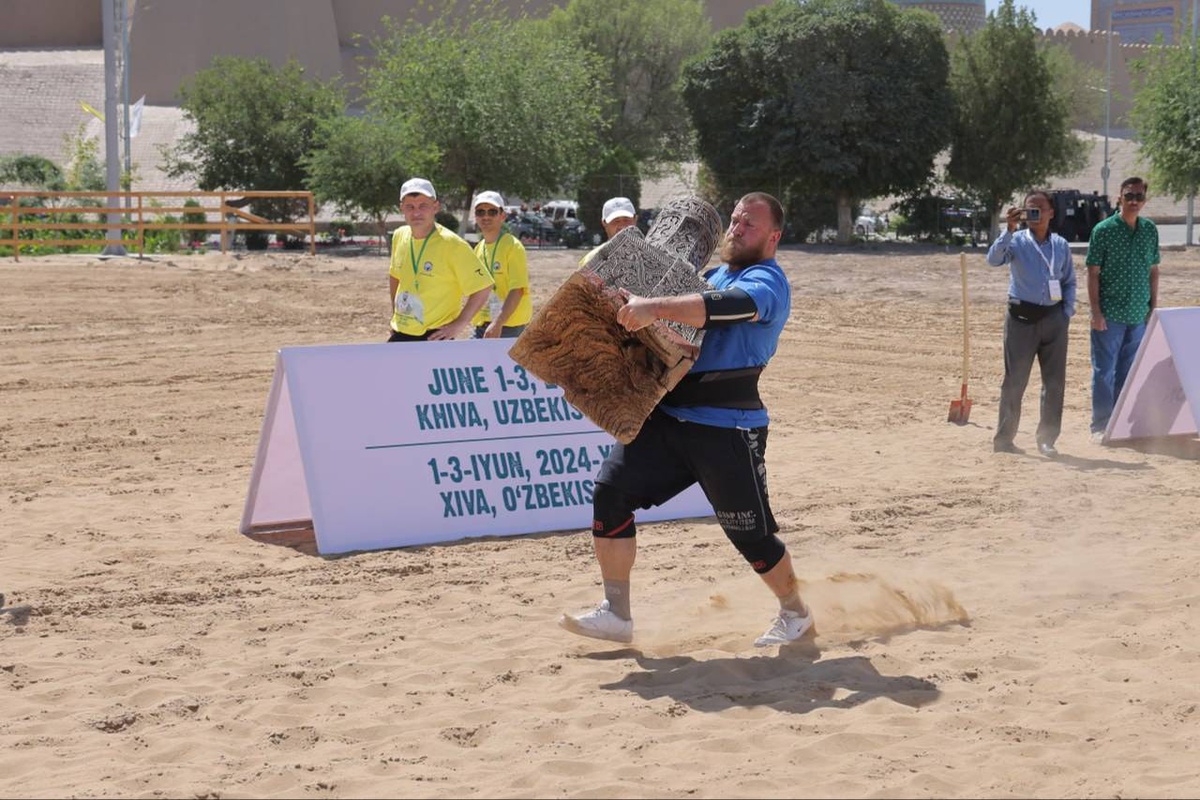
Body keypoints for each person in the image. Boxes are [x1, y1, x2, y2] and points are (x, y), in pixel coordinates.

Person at [559, 192, 812, 648]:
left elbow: (722, 307)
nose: (737, 229)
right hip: (669, 417)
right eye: (734, 220)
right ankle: (617, 614)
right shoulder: (712, 274)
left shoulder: (767, 282)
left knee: (750, 536)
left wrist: (654, 307)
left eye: (749, 224)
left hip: (727, 427)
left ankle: (796, 613)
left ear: (774, 236)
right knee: (610, 495)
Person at [986, 190, 1076, 457]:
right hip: (1021, 320)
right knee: (1015, 381)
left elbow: (1069, 280)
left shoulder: (1060, 245)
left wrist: (1066, 313)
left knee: (1054, 383)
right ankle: (1004, 440)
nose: (1033, 214)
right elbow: (993, 260)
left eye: (1038, 208)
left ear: (1051, 213)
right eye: (1028, 209)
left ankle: (1047, 440)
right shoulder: (1016, 242)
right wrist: (1008, 229)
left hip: (1054, 320)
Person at [1085, 176, 1160, 439]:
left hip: (1138, 315)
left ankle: (1119, 426)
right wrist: (1096, 312)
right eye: (1129, 196)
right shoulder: (1103, 230)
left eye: (1139, 196)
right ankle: (1101, 425)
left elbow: (1153, 271)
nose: (1134, 201)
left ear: (1144, 200)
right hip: (1110, 315)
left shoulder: (1150, 230)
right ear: (1120, 197)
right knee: (1105, 371)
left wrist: (1153, 309)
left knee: (1128, 371)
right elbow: (1093, 273)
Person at [387, 177, 494, 342]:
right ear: (402, 208)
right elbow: (395, 275)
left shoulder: (453, 245)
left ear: (435, 207)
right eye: (410, 207)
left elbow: (483, 286)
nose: (416, 212)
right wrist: (395, 313)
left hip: (435, 337)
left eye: (423, 206)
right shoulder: (399, 235)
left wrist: (460, 324)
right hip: (401, 332)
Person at [469, 191, 532, 339]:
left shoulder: (513, 247)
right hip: (483, 324)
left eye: (492, 212)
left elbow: (517, 290)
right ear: (475, 216)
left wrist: (498, 323)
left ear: (502, 216)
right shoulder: (478, 249)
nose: (486, 216)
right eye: (480, 212)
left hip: (508, 326)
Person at [579, 196, 638, 266]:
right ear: (604, 223)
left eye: (626, 220)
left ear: (635, 219)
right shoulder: (591, 261)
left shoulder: (651, 256)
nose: (622, 225)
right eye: (616, 221)